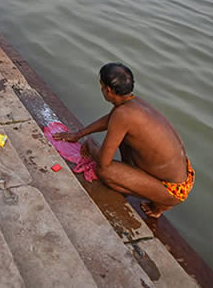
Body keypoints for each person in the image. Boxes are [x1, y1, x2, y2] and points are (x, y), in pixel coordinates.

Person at [54, 62, 193, 218]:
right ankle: (137, 178)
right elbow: (110, 119)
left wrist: (90, 144)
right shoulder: (133, 103)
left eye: (101, 86)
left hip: (173, 189)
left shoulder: (124, 114)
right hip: (184, 174)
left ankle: (162, 204)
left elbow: (103, 163)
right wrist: (78, 134)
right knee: (122, 136)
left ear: (108, 90)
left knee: (104, 172)